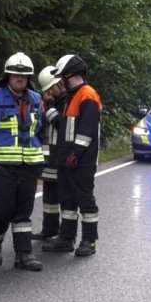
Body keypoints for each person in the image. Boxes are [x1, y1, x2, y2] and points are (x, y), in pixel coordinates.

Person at [0, 52, 46, 271]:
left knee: (23, 213)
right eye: (16, 74)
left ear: (29, 78)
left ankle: (24, 255)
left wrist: (41, 161)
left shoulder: (36, 100)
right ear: (8, 75)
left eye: (24, 75)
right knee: (3, 210)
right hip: (2, 167)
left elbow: (41, 132)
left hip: (29, 167)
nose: (19, 78)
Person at [42, 54, 102, 257]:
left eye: (63, 77)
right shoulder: (71, 97)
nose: (62, 82)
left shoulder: (88, 95)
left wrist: (76, 153)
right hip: (66, 159)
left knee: (84, 200)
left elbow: (87, 130)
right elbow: (64, 129)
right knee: (67, 200)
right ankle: (66, 238)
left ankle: (89, 240)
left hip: (81, 161)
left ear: (71, 75)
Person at [33, 65, 65, 241]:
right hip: (48, 158)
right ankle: (49, 229)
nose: (50, 93)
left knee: (64, 196)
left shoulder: (67, 100)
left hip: (61, 157)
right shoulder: (47, 102)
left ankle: (64, 233)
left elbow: (62, 126)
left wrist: (50, 107)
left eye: (51, 89)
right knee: (49, 197)